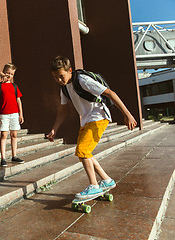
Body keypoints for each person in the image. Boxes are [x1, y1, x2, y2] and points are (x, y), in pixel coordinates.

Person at [47, 56, 137, 200]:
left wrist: (128, 115)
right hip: (87, 121)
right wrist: (54, 129)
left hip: (98, 117)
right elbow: (63, 110)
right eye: (55, 77)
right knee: (84, 153)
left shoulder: (82, 80)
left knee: (83, 151)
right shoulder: (64, 89)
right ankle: (106, 180)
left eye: (61, 76)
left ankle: (94, 186)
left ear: (70, 70)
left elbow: (110, 93)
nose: (59, 80)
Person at [0, 63, 24, 166]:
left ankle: (14, 155)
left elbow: (18, 100)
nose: (9, 76)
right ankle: (3, 157)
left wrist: (21, 114)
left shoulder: (14, 86)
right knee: (3, 135)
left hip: (15, 114)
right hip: (3, 114)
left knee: (14, 134)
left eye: (11, 74)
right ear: (3, 72)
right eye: (7, 73)